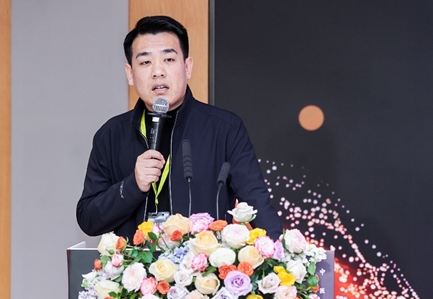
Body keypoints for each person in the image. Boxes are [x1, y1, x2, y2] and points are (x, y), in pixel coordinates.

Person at [77, 16, 282, 240]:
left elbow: (256, 203)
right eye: (145, 62)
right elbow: (89, 219)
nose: (158, 71)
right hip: (133, 262)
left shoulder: (224, 129)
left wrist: (279, 254)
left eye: (168, 59)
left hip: (203, 262)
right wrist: (133, 185)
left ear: (187, 67)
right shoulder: (111, 135)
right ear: (130, 73)